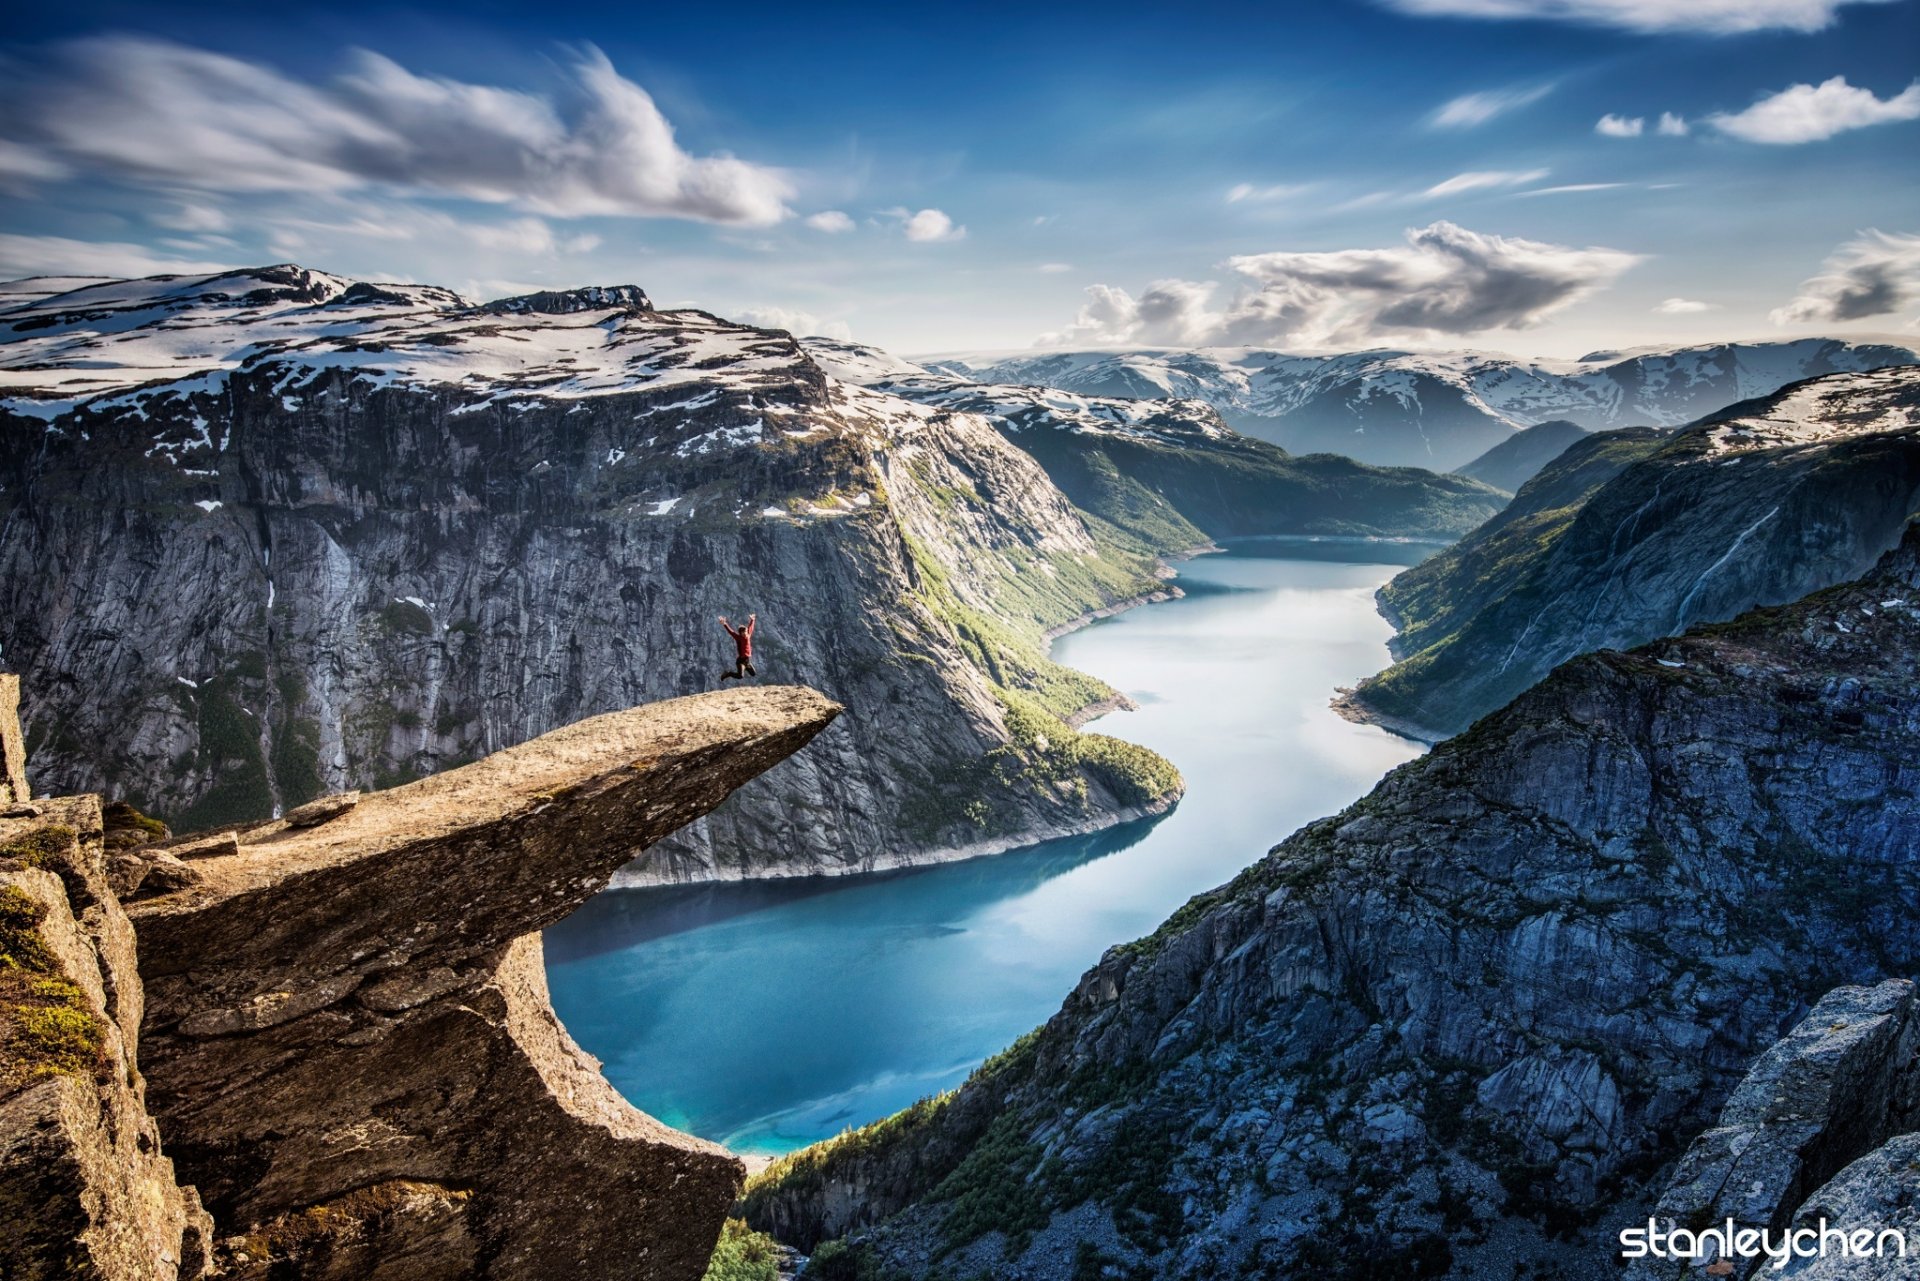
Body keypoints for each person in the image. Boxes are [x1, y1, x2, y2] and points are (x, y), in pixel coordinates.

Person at [718, 613, 757, 681]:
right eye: (743, 632)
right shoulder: (738, 638)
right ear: (740, 633)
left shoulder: (748, 635)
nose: (745, 633)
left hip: (747, 661)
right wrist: (725, 624)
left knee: (753, 674)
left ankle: (745, 667)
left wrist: (752, 620)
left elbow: (751, 627)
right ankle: (728, 673)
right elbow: (731, 632)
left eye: (745, 631)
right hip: (740, 661)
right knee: (740, 676)